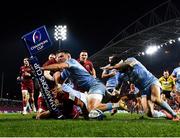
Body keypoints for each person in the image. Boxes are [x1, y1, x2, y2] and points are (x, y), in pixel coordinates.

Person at [42, 50, 127, 115]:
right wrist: (58, 85)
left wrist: (40, 68)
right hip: (96, 87)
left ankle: (118, 105)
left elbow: (58, 66)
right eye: (57, 58)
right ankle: (120, 99)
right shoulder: (66, 72)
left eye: (61, 56)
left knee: (91, 108)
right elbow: (58, 76)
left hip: (95, 86)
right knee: (88, 110)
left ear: (68, 56)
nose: (59, 59)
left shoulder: (71, 61)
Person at [102, 56, 179, 121]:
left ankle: (175, 115)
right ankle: (163, 114)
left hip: (152, 82)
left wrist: (111, 67)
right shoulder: (120, 75)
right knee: (149, 113)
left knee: (155, 99)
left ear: (121, 62)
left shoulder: (130, 60)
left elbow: (123, 65)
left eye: (118, 67)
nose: (118, 70)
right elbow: (118, 88)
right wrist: (114, 99)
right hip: (143, 91)